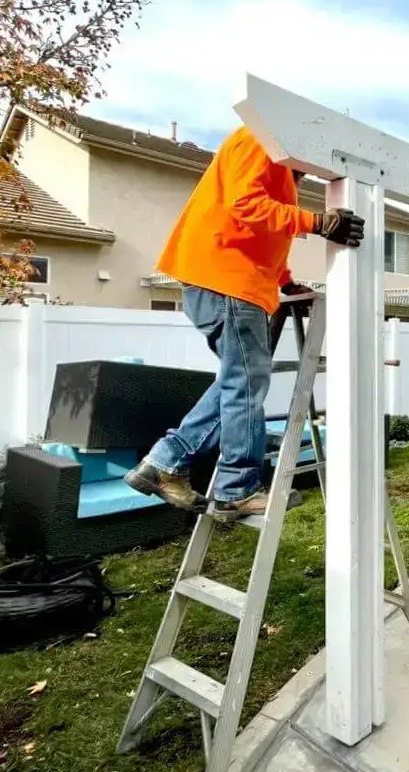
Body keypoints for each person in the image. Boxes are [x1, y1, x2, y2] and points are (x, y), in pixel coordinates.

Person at [125, 125, 365, 521]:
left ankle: (166, 462)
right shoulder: (260, 137)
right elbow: (245, 205)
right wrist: (319, 223)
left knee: (238, 383)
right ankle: (236, 488)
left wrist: (286, 281)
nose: (307, 172)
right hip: (228, 283)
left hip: (231, 283)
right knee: (246, 385)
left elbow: (264, 234)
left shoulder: (279, 171)